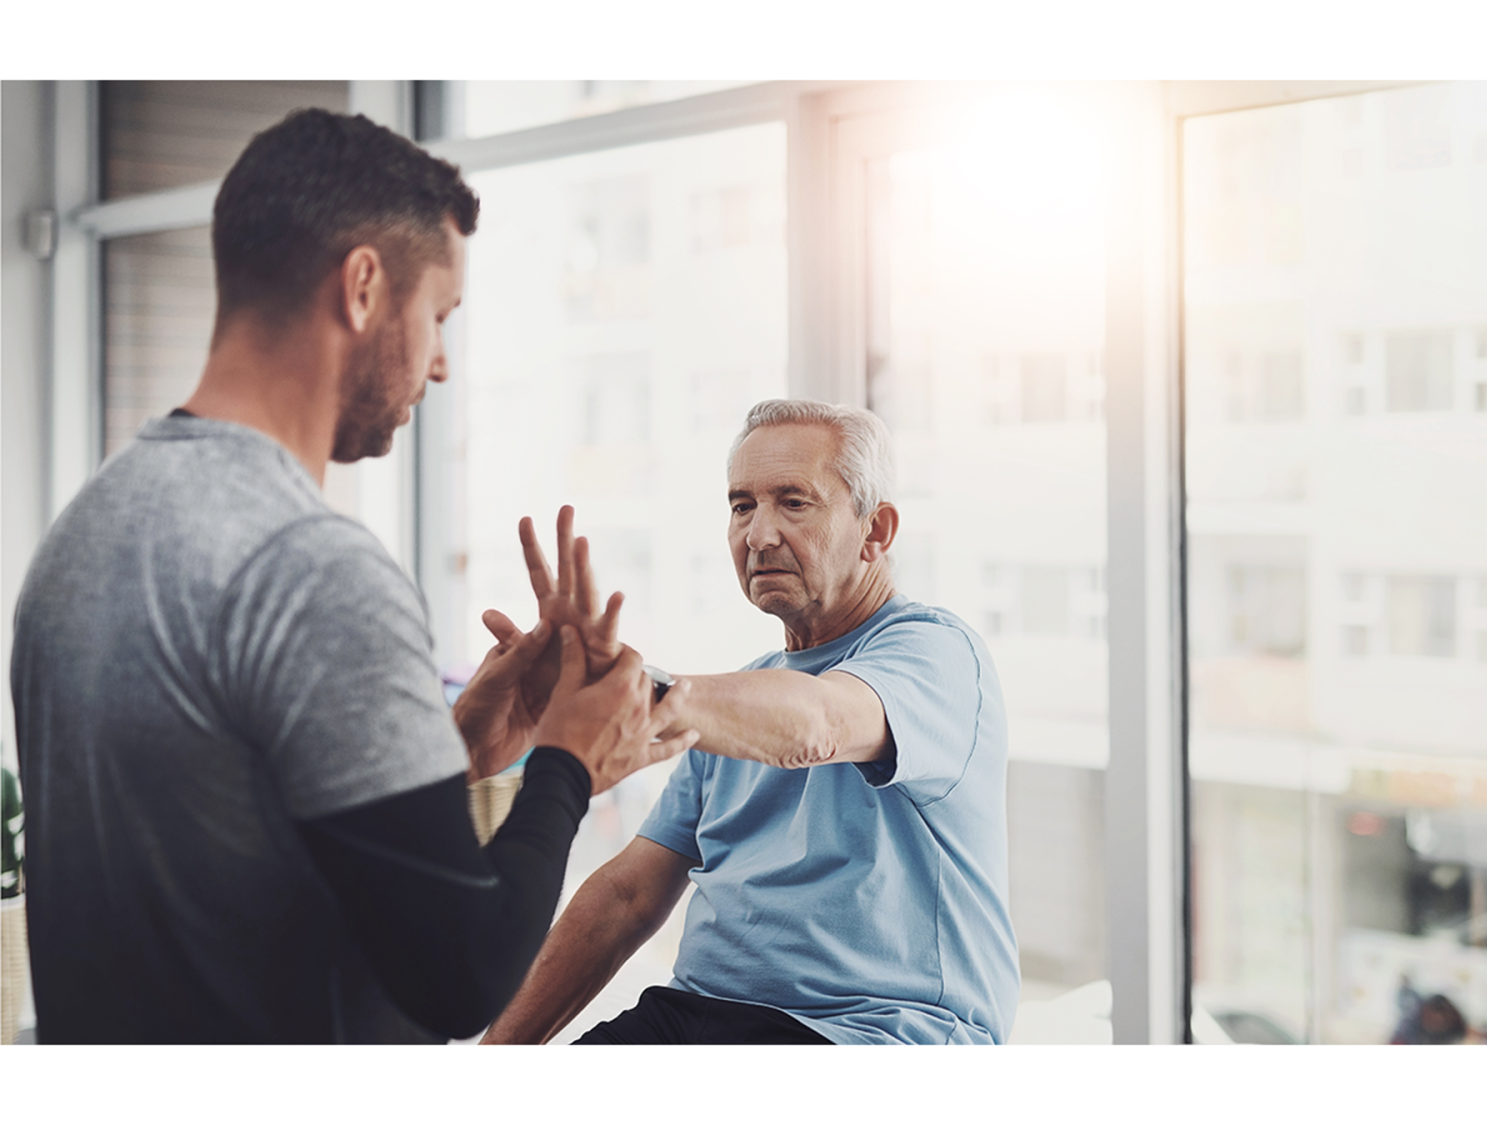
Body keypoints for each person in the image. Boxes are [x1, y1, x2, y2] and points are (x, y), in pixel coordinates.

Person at [9, 108, 696, 1044]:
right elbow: (461, 977)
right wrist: (570, 761)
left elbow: (220, 850)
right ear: (365, 285)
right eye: (440, 317)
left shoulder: (83, 532)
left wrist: (447, 752)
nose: (443, 364)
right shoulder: (311, 568)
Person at [482, 399, 1020, 1046]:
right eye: (742, 505)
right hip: (696, 1017)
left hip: (872, 1032)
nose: (758, 534)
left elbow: (818, 722)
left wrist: (613, 694)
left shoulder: (935, 653)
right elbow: (627, 895)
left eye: (794, 502)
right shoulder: (736, 699)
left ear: (875, 530)